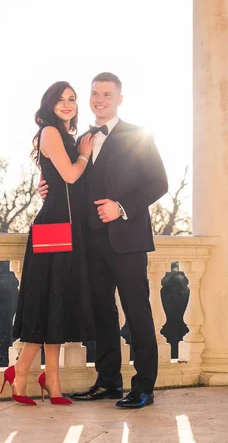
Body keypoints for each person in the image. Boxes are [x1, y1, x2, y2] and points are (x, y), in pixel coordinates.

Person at [39, 72, 168, 409]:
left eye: (107, 95)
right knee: (102, 312)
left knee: (136, 311)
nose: (99, 100)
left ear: (119, 99)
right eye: (94, 93)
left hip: (127, 239)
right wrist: (46, 188)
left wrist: (121, 207)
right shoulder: (80, 139)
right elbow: (70, 176)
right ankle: (108, 382)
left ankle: (144, 387)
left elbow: (159, 183)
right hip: (89, 241)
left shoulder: (138, 135)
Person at [0, 80, 94, 406]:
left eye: (72, 99)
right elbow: (69, 175)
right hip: (54, 226)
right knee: (45, 301)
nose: (67, 104)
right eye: (60, 100)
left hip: (68, 227)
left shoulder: (66, 136)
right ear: (50, 105)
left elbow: (59, 181)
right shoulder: (51, 132)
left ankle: (51, 380)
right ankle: (22, 371)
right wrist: (83, 156)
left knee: (56, 304)